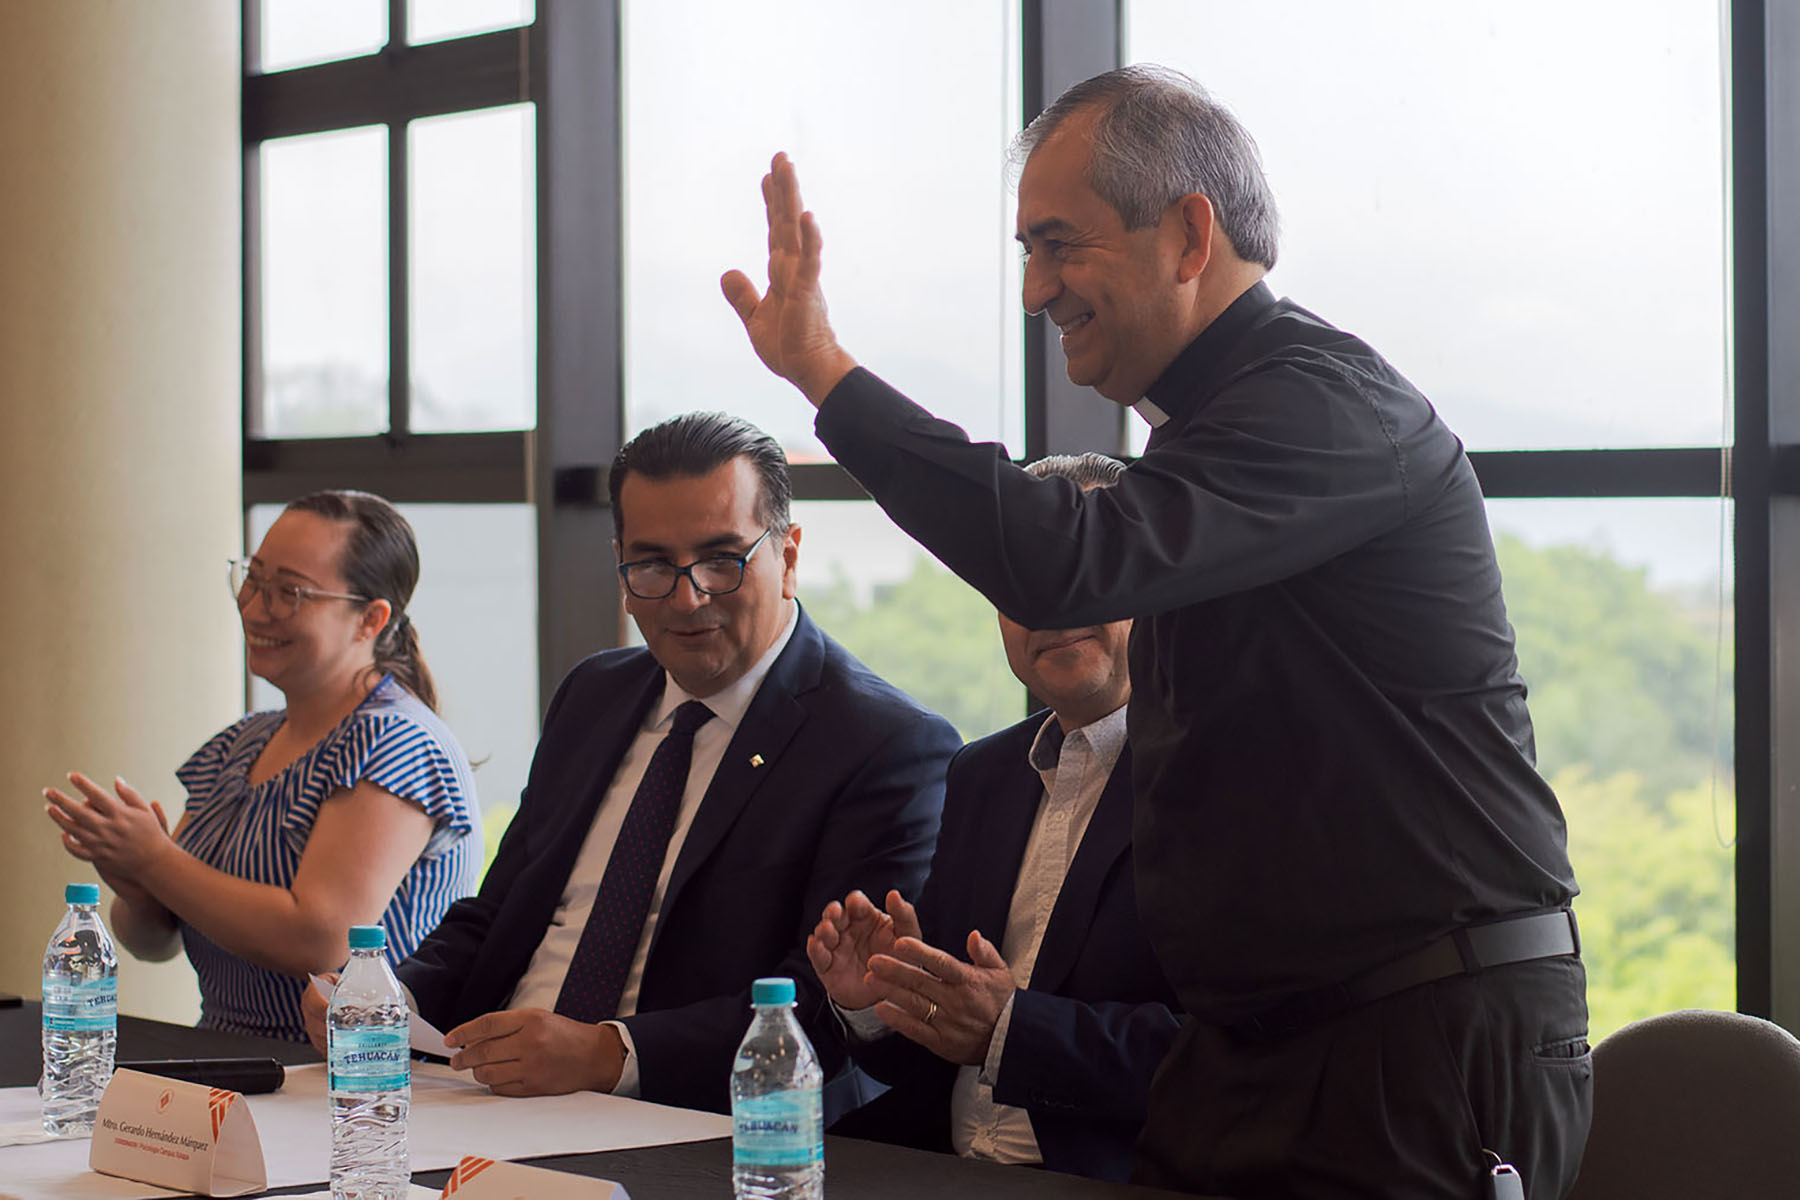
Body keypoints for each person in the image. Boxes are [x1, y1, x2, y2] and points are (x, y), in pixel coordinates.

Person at [722, 65, 1588, 1200]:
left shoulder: (1325, 404)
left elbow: (1064, 561)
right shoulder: (1212, 440)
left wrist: (826, 374)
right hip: (1248, 1054)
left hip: (1409, 1039)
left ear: (1189, 234)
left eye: (1059, 244)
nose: (1035, 290)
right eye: (1024, 253)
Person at [304, 412, 959, 1116]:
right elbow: (498, 915)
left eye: (721, 559)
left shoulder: (884, 744)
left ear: (789, 555)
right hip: (483, 1090)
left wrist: (608, 1054)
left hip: (696, 1124)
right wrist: (388, 1000)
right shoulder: (596, 693)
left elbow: (832, 1007)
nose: (687, 597)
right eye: (652, 565)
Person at [809, 451, 1179, 1183]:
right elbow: (946, 1044)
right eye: (1016, 581)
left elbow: (1235, 1056)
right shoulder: (982, 774)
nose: (1047, 605)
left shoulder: (1222, 778)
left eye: (1074, 573)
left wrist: (1013, 1032)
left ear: (1156, 585)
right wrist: (889, 997)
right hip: (938, 1167)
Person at [45, 490, 481, 1044]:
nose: (254, 607)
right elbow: (156, 941)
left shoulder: (396, 742)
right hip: (228, 1061)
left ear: (369, 619)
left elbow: (322, 940)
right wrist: (138, 885)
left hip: (354, 1079)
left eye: (289, 592)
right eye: (253, 578)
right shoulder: (239, 744)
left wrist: (157, 859)